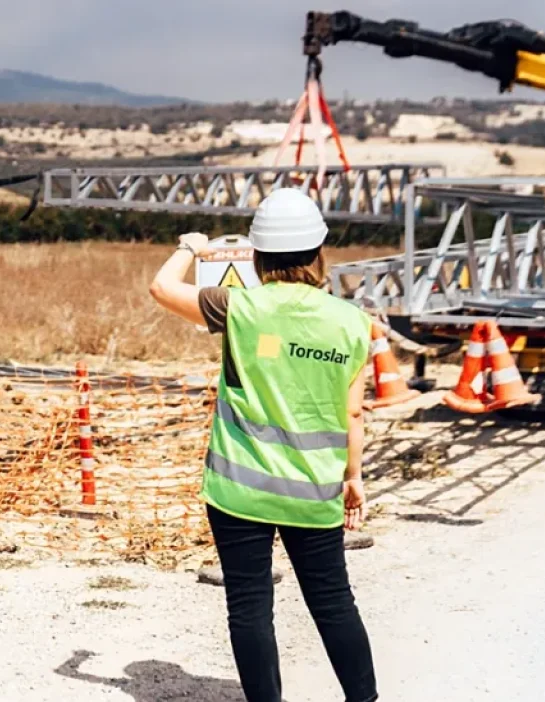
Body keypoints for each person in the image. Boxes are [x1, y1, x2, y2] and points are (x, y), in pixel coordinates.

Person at [148, 188, 378, 702]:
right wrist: (353, 479)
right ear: (320, 252)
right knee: (334, 601)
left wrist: (191, 246)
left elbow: (162, 288)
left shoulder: (237, 306)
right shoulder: (351, 322)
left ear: (257, 255)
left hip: (238, 489)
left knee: (250, 604)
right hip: (314, 489)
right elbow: (354, 412)